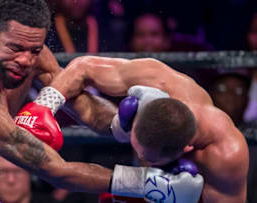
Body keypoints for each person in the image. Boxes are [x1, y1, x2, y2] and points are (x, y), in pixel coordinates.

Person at [0, 1, 203, 202]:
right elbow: (54, 170)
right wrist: (146, 182)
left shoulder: (31, 51)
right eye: (15, 48)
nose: (25, 59)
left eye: (34, 49)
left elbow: (79, 102)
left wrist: (123, 124)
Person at [49, 56, 249, 202]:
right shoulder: (157, 77)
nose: (140, 155)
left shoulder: (226, 155)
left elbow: (60, 174)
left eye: (149, 158)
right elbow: (84, 66)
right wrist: (44, 105)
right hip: (142, 183)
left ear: (186, 149)